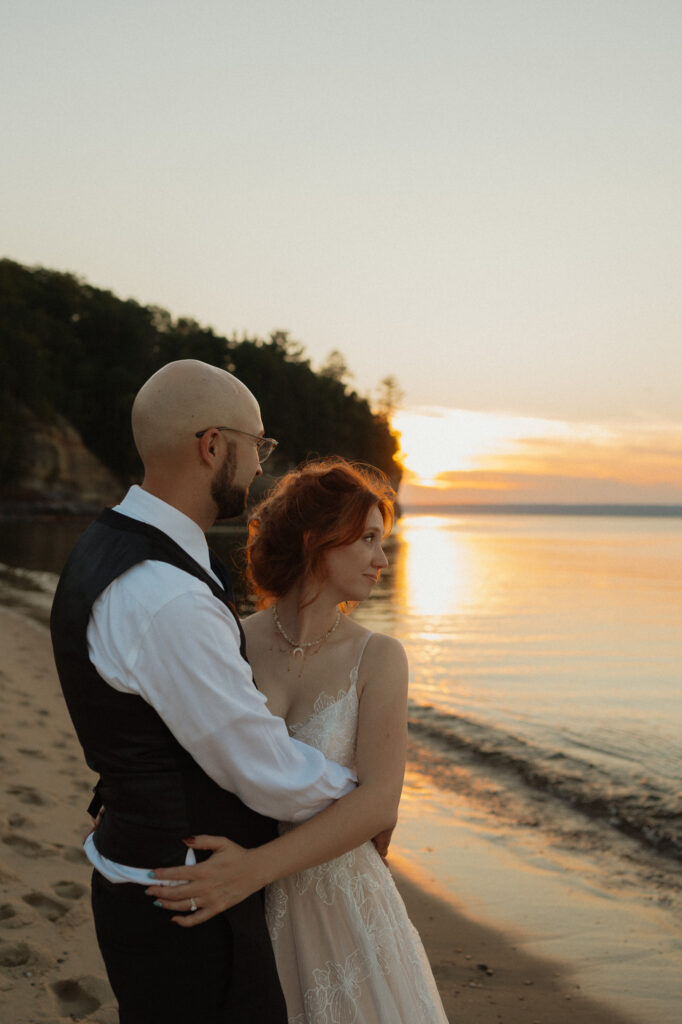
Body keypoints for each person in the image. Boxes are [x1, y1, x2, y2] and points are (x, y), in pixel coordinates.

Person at [50, 360, 360, 1024]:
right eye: (259, 445)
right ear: (213, 445)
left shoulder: (109, 546)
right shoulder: (166, 597)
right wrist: (359, 802)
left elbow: (132, 713)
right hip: (186, 901)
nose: (260, 465)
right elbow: (259, 767)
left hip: (145, 875)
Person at [147, 458, 449, 1023]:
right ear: (316, 540)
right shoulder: (230, 640)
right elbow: (178, 745)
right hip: (242, 906)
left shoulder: (379, 658)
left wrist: (253, 869)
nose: (382, 559)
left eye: (383, 542)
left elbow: (381, 801)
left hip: (341, 903)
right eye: (366, 539)